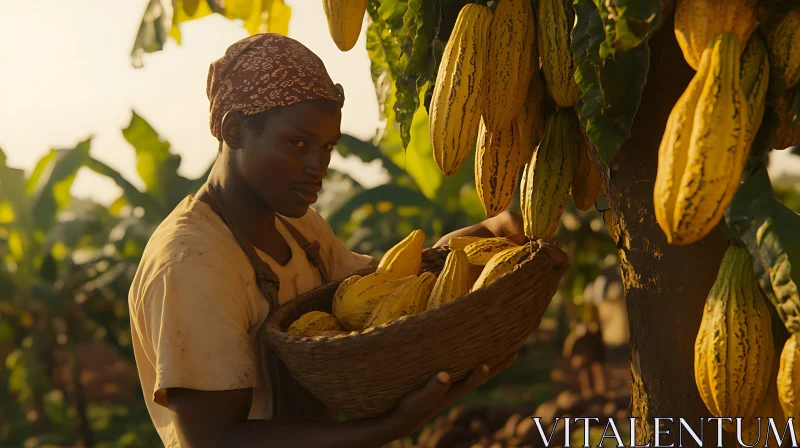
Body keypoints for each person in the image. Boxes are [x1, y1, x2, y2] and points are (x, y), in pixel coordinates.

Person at [128, 33, 525, 448]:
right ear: (236, 130)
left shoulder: (300, 228)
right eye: (297, 143)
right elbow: (214, 440)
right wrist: (389, 428)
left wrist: (495, 231)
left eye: (328, 146)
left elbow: (392, 289)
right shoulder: (192, 262)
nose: (318, 166)